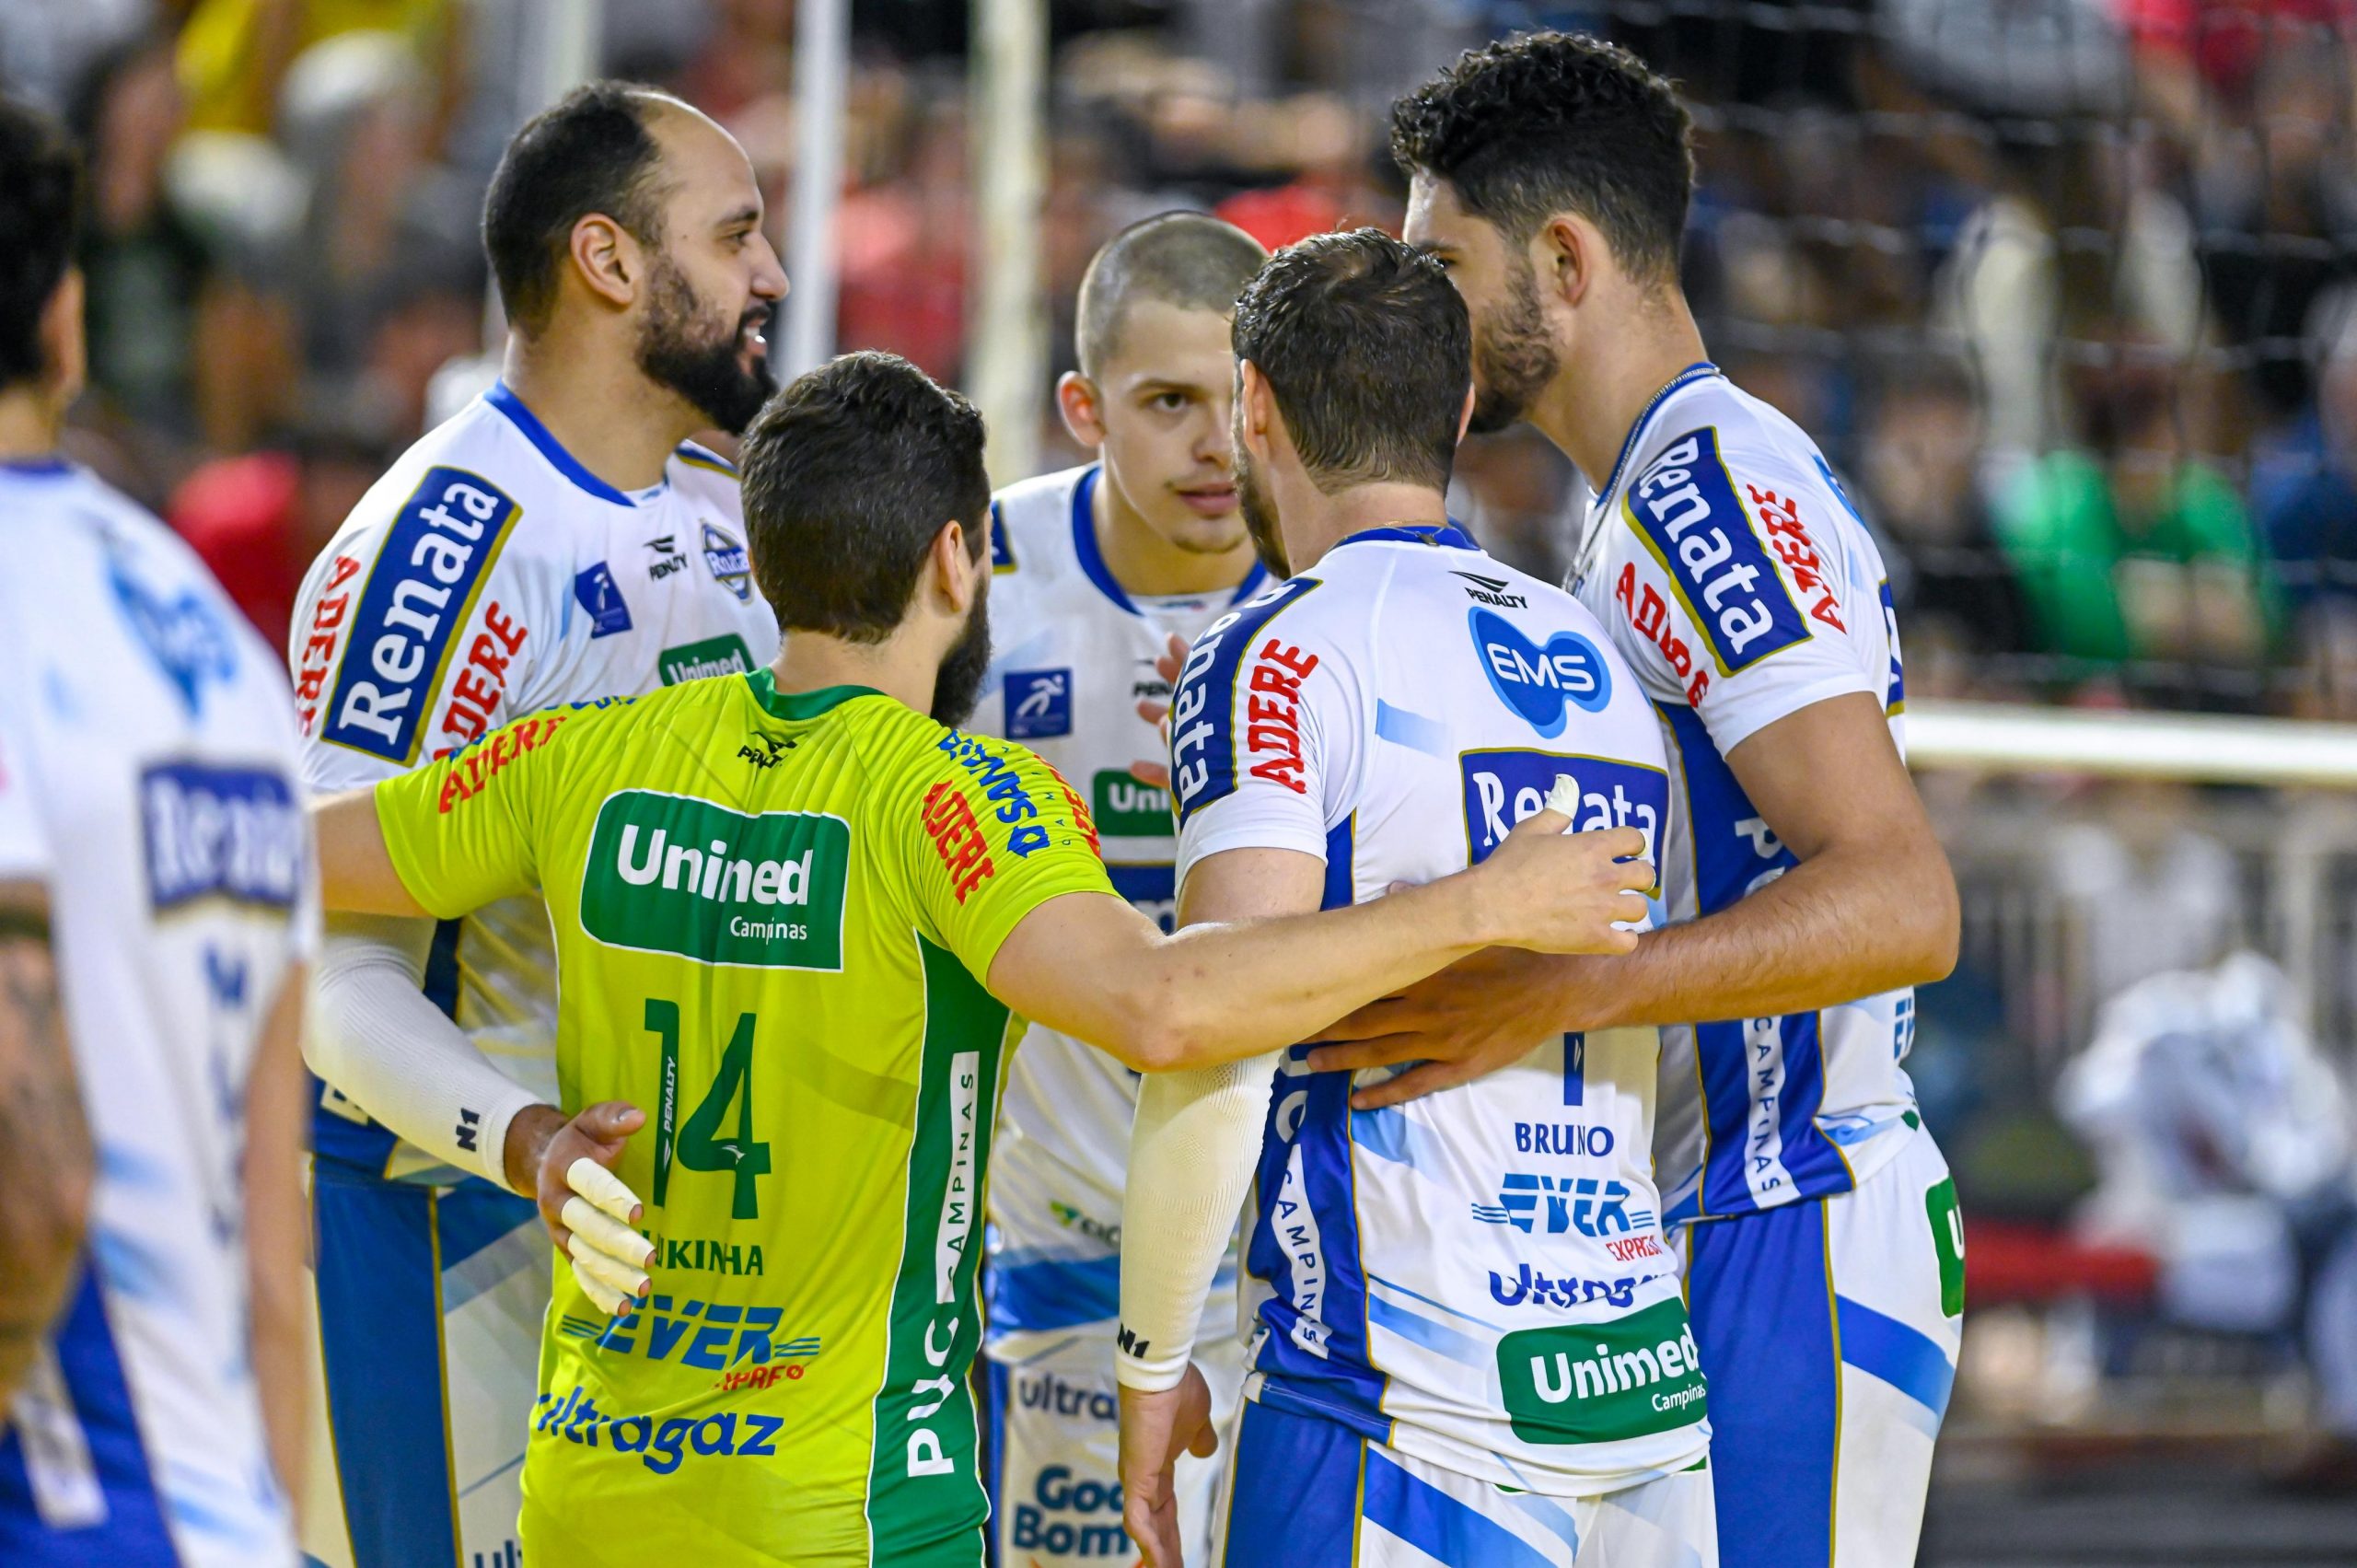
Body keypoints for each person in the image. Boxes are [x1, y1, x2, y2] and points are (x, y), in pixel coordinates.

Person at [300, 348, 1658, 1566]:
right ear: (960, 560)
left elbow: (289, 862)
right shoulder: (955, 798)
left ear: (766, 561)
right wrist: (1482, 906)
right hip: (853, 1511)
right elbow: (1173, 1010)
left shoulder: (583, 758)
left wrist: (519, 1132)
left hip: (591, 1495)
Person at [1341, 33, 1962, 1566]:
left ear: (1562, 259)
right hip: (1724, 1207)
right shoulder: (1639, 492)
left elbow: (1902, 897)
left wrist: (1551, 992)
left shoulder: (1707, 492)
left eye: (1445, 263)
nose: (1422, 306)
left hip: (1794, 1207)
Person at [1113, 227, 1709, 1568]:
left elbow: (1213, 1024)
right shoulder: (1595, 656)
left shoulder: (1271, 650)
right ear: (1453, 412)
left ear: (1253, 402)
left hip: (1405, 1423)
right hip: (1641, 1409)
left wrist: (1151, 1361)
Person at [285, 80, 784, 1568]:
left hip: (658, 1231)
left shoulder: (726, 517)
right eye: (738, 233)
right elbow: (319, 951)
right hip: (446, 1223)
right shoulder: (444, 548)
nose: (770, 275)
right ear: (610, 262)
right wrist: (520, 1143)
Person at [0, 94, 313, 1568]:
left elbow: (27, 1165)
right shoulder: (207, 633)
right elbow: (274, 1244)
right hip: (227, 1518)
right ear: (64, 322)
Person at [971, 210, 1268, 1568]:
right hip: (1040, 1250)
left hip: (1285, 1254)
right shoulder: (974, 577)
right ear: (1083, 407)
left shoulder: (1340, 584)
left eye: (1242, 401)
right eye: (1168, 404)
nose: (1217, 446)